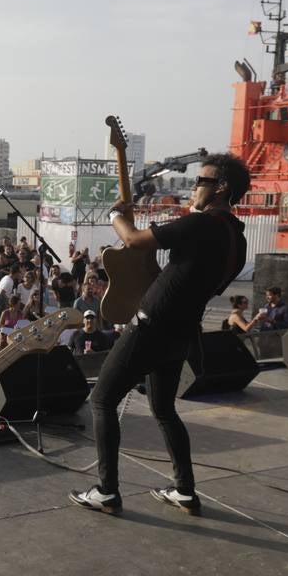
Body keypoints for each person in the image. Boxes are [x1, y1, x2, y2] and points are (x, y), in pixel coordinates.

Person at [71, 153, 250, 518]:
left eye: (201, 181)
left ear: (222, 188)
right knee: (164, 409)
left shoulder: (202, 225)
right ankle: (184, 490)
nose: (194, 187)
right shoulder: (236, 240)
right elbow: (188, 276)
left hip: (152, 325)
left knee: (103, 400)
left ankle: (107, 492)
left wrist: (115, 216)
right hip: (182, 333)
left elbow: (134, 239)